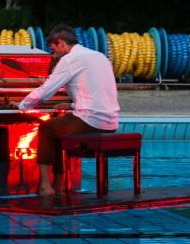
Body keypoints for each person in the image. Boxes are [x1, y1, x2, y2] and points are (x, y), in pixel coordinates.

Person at [10, 24, 120, 196]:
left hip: (91, 120)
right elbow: (97, 93)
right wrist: (71, 105)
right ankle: (59, 185)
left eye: (53, 50)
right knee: (57, 130)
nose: (53, 55)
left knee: (46, 129)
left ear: (61, 43)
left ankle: (46, 186)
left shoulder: (69, 60)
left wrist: (22, 105)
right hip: (111, 121)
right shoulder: (99, 56)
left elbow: (46, 90)